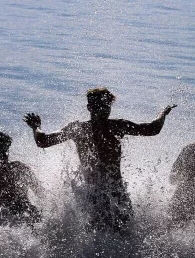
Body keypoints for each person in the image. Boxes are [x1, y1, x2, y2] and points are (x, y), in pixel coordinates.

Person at [24, 87, 175, 233]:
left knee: (103, 236)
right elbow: (152, 129)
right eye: (100, 106)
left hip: (104, 195)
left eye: (107, 106)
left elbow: (42, 141)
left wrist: (36, 127)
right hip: (108, 194)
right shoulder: (112, 126)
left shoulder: (86, 128)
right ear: (89, 108)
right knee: (117, 236)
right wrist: (162, 114)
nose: (104, 109)